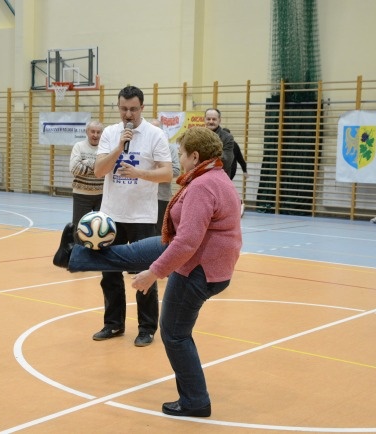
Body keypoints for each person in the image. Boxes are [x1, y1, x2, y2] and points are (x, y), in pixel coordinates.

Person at [53, 126, 242, 417]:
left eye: (181, 153)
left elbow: (189, 241)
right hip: (190, 253)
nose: (179, 158)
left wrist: (154, 273)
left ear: (195, 155)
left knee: (175, 335)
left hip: (196, 267)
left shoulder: (204, 186)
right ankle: (73, 256)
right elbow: (188, 238)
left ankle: (196, 402)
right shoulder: (213, 177)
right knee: (131, 253)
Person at [92, 85, 173, 347]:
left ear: (142, 108)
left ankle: (147, 327)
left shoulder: (155, 135)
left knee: (144, 274)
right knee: (110, 274)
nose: (129, 114)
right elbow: (98, 171)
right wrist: (118, 148)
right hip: (111, 215)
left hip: (142, 217)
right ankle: (113, 324)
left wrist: (140, 174)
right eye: (124, 108)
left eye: (134, 109)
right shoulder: (110, 133)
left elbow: (167, 174)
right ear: (118, 107)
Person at [69, 120, 104, 235]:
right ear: (87, 132)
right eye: (92, 131)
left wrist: (86, 162)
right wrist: (97, 166)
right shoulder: (79, 146)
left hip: (102, 195)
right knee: (79, 228)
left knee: (101, 229)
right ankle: (78, 252)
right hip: (81, 195)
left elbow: (107, 169)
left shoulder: (105, 149)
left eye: (98, 132)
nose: (95, 135)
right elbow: (74, 169)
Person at [150, 118, 181, 232]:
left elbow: (177, 170)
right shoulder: (143, 146)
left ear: (162, 131)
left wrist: (154, 172)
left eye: (156, 129)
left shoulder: (171, 148)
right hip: (143, 195)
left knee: (159, 231)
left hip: (161, 196)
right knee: (144, 230)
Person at [224, 127, 248, 217]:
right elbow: (241, 160)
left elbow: (240, 159)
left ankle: (238, 204)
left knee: (225, 188)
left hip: (229, 169)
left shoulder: (231, 144)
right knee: (225, 189)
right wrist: (244, 171)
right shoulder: (233, 144)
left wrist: (245, 170)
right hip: (228, 169)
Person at [204, 108, 235, 178]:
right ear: (204, 120)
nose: (211, 122)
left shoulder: (227, 137)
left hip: (220, 178)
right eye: (208, 119)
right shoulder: (198, 135)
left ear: (219, 120)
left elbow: (226, 161)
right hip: (200, 177)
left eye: (214, 119)